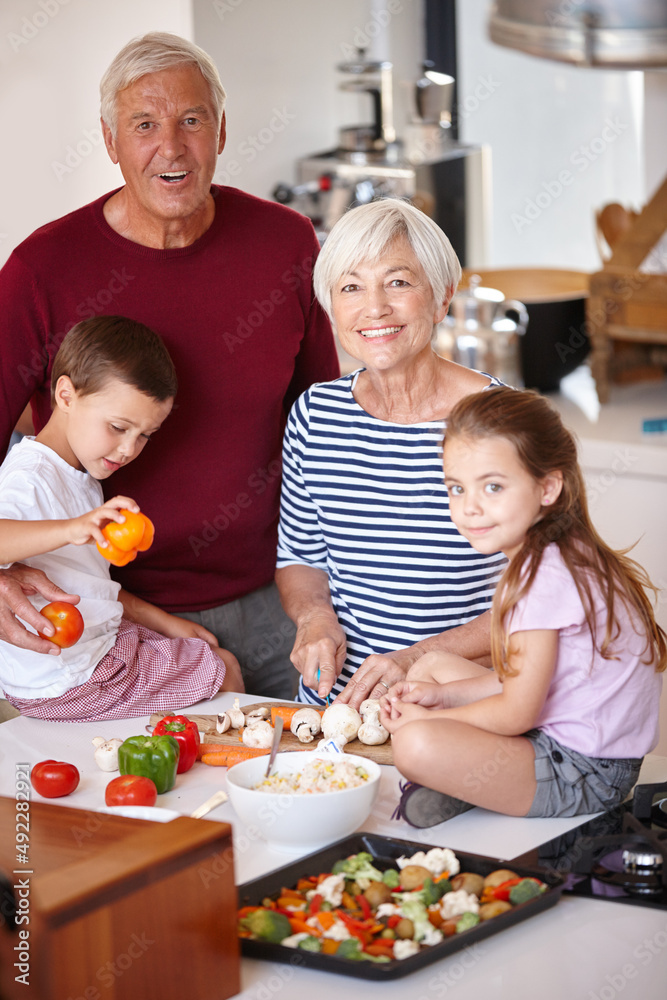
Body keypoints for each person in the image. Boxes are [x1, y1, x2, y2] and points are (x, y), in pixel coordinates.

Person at [0, 32, 339, 699]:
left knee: (321, 785)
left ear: (220, 130)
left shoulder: (286, 242)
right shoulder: (42, 269)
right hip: (115, 629)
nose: (172, 147)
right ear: (109, 141)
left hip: (283, 605)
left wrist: (328, 596)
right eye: (144, 125)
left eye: (191, 120)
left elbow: (322, 423)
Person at [381, 387, 666, 826]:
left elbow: (518, 712)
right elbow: (522, 681)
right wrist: (442, 695)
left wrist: (441, 718)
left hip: (585, 771)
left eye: (493, 486)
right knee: (433, 666)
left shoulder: (542, 578)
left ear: (547, 486)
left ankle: (474, 781)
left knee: (415, 743)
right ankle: (478, 783)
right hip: (566, 734)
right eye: (456, 488)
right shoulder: (560, 550)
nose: (469, 508)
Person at [275, 198, 507, 709]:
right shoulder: (316, 416)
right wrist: (315, 619)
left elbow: (543, 601)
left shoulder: (502, 421)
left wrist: (414, 658)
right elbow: (300, 558)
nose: (374, 307)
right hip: (339, 710)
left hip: (458, 709)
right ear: (332, 308)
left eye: (398, 282)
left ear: (442, 297)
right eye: (351, 287)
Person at [0, 316, 243, 722]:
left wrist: (164, 622)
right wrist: (74, 528)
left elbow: (87, 584)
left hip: (94, 651)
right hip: (71, 678)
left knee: (213, 660)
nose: (129, 449)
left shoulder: (79, 470)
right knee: (226, 671)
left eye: (145, 435)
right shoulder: (29, 479)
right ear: (65, 394)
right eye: (118, 427)